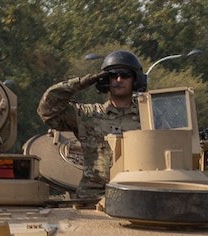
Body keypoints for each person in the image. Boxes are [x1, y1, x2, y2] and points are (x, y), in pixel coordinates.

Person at [37, 51, 145, 198]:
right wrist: (84, 82)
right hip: (92, 197)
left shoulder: (148, 117)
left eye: (125, 75)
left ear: (136, 80)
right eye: (113, 75)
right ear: (105, 80)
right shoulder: (87, 115)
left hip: (135, 197)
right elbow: (48, 108)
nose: (118, 79)